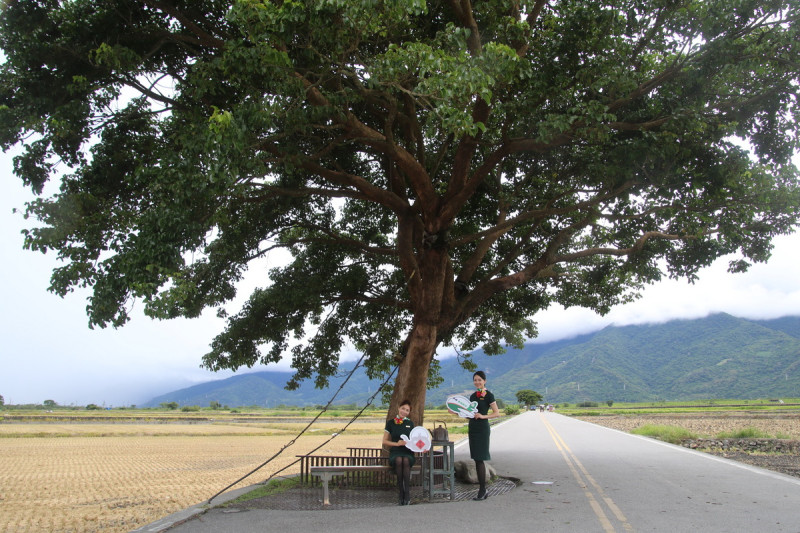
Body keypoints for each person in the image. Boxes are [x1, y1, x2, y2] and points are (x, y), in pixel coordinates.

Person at [466, 370, 500, 500]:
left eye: (479, 380)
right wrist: (455, 411)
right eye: (475, 380)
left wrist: (482, 416)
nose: (477, 382)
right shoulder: (473, 396)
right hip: (473, 427)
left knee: (480, 458)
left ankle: (482, 490)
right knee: (476, 458)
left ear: (484, 381)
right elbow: (470, 413)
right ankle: (482, 489)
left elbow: (496, 413)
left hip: (482, 428)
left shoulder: (489, 395)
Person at [383, 399, 416, 505]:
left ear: (409, 412)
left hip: (407, 451)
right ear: (398, 408)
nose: (404, 411)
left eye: (407, 410)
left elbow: (415, 440)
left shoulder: (410, 423)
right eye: (403, 408)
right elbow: (385, 441)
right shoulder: (390, 423)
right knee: (398, 460)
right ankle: (401, 493)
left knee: (405, 460)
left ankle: (407, 493)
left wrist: (422, 447)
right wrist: (397, 444)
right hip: (396, 451)